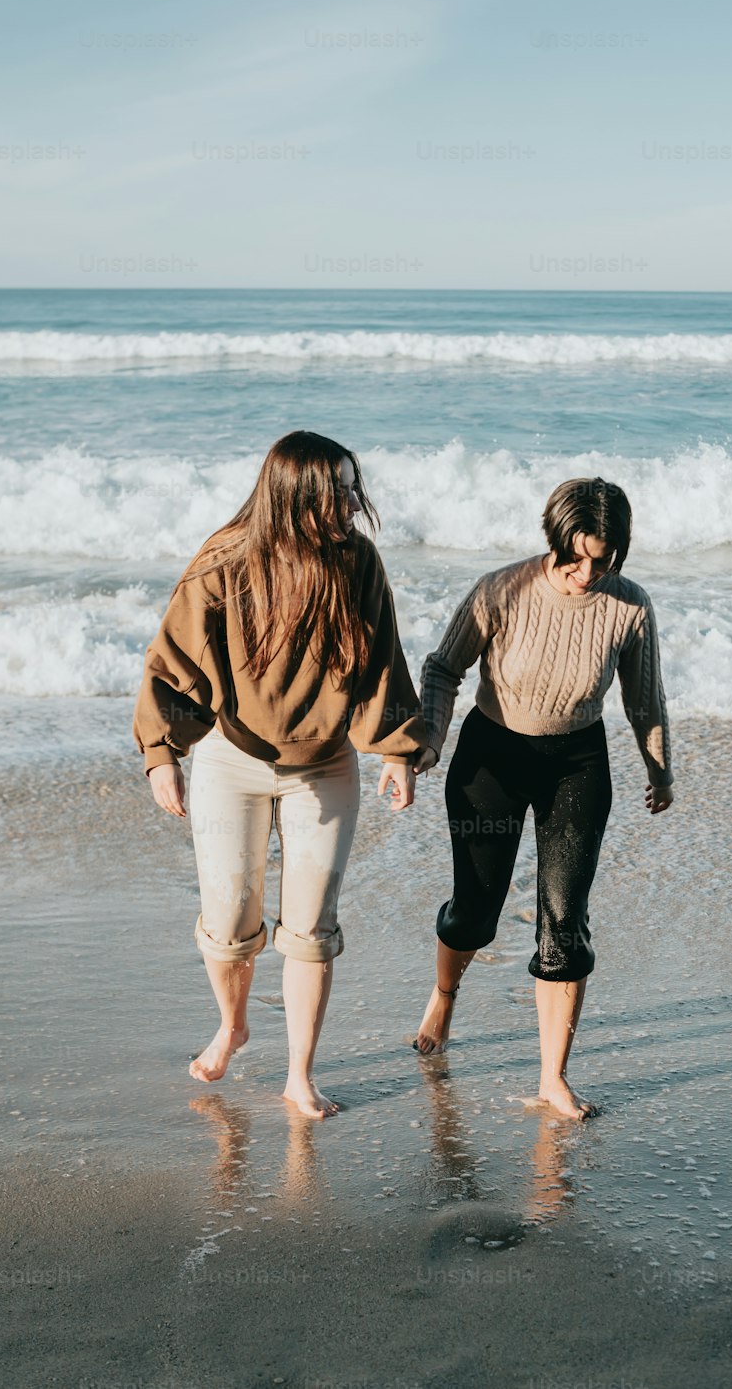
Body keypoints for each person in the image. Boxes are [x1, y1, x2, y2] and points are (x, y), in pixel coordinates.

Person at [133, 430, 427, 1118]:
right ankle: (233, 1025)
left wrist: (397, 751)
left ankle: (300, 1074)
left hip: (324, 766)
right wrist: (161, 755)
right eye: (341, 491)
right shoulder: (224, 560)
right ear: (299, 498)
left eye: (355, 487)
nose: (355, 502)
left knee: (309, 928)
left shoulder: (356, 562)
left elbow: (384, 660)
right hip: (231, 760)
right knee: (229, 922)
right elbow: (172, 661)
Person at [412, 476, 674, 1120]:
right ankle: (444, 996)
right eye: (573, 556)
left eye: (602, 560)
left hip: (576, 766)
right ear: (552, 538)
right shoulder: (502, 589)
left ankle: (553, 1078)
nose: (586, 573)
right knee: (476, 912)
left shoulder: (630, 606)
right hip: (490, 758)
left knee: (564, 922)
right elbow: (444, 668)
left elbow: (644, 697)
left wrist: (660, 769)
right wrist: (430, 739)